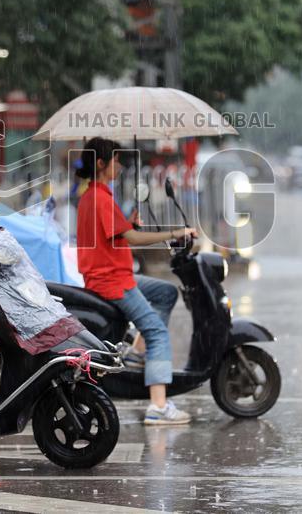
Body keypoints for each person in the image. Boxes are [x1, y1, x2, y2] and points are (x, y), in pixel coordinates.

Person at [75, 137, 196, 425]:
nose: (120, 165)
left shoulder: (97, 195)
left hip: (116, 275)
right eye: (116, 160)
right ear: (102, 163)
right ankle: (158, 406)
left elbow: (118, 235)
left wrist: (130, 224)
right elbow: (130, 238)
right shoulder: (99, 198)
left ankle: (137, 353)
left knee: (166, 293)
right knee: (157, 331)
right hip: (112, 281)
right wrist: (173, 233)